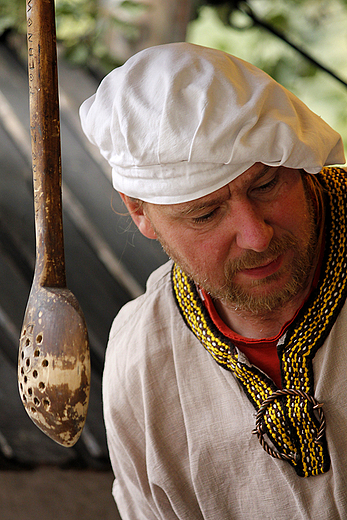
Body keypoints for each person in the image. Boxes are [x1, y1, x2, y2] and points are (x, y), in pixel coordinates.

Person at [79, 43, 347, 519]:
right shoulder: (142, 358)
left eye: (266, 185)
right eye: (205, 214)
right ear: (139, 210)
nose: (256, 236)